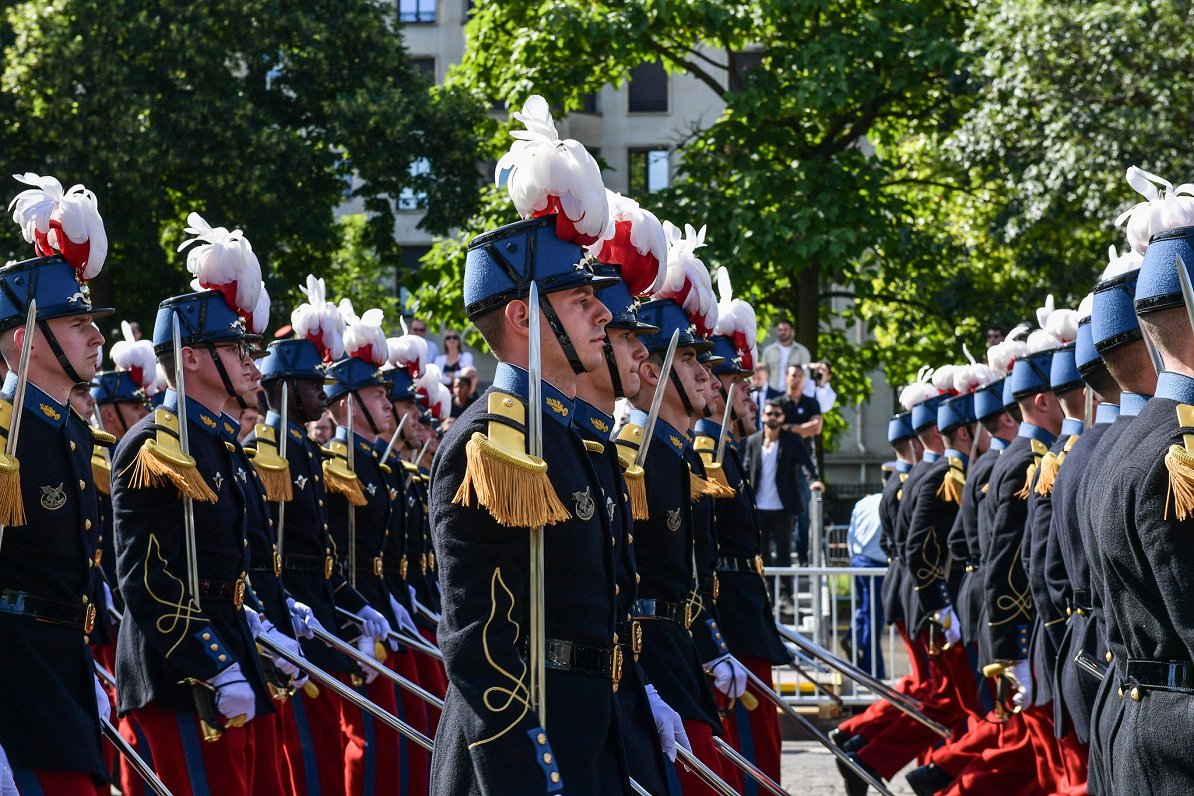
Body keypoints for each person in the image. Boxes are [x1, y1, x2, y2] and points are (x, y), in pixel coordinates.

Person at [429, 98, 631, 794]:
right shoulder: (492, 442)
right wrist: (530, 768)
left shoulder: (573, 438)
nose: (603, 312)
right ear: (523, 316)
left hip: (588, 733)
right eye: (580, 302)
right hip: (521, 755)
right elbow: (480, 642)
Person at [113, 248, 275, 794]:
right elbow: (148, 578)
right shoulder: (158, 445)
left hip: (228, 648)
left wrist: (265, 622)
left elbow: (229, 558)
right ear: (191, 359)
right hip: (181, 670)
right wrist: (212, 663)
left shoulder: (218, 442)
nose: (250, 361)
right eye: (233, 347)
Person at [0, 172, 112, 793]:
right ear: (25, 340)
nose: (96, 335)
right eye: (77, 324)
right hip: (16, 687)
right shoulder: (4, 437)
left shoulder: (68, 434)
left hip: (63, 673)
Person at [777, 363, 823, 566]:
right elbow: (777, 429)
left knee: (803, 513)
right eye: (793, 375)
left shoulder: (811, 402)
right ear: (786, 377)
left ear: (804, 379)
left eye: (799, 375)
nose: (796, 379)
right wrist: (802, 429)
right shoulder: (778, 403)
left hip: (804, 465)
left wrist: (789, 427)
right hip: (783, 463)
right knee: (781, 511)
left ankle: (804, 557)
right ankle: (781, 557)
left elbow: (817, 428)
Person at [846, 489, 885, 677]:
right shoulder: (888, 502)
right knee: (874, 617)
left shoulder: (863, 502)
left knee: (867, 609)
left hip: (859, 560)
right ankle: (872, 668)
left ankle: (852, 636)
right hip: (876, 564)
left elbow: (851, 534)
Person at [760, 318, 810, 390]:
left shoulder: (802, 351)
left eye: (785, 330)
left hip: (793, 391)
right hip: (772, 390)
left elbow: (806, 375)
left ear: (792, 331)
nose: (782, 332)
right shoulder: (768, 351)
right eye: (780, 330)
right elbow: (764, 373)